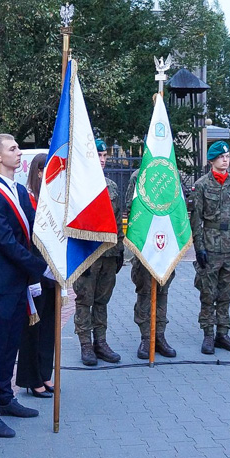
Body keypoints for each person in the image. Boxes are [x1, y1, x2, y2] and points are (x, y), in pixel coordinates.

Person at [0, 134, 50, 439]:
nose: (19, 153)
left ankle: (5, 398)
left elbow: (35, 229)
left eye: (18, 148)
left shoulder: (20, 190)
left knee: (11, 345)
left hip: (18, 280)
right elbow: (5, 241)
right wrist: (38, 266)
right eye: (13, 149)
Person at [190, 141, 230, 355]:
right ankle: (208, 334)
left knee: (226, 292)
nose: (226, 160)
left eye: (228, 156)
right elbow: (196, 220)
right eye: (222, 157)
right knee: (208, 292)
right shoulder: (202, 185)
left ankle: (223, 333)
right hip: (210, 244)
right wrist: (199, 248)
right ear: (212, 160)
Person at [74, 140, 124, 366]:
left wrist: (120, 249)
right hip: (87, 255)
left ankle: (100, 342)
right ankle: (85, 345)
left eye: (104, 155)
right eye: (98, 155)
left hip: (110, 254)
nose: (102, 159)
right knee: (85, 300)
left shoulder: (111, 186)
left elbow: (117, 222)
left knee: (102, 300)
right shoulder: (78, 186)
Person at [16, 153, 58, 392]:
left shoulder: (53, 199)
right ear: (39, 172)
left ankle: (45, 372)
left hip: (53, 271)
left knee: (50, 324)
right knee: (34, 324)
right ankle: (31, 378)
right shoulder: (28, 198)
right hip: (35, 270)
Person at [127, 168, 177, 360]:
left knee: (162, 291)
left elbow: (177, 211)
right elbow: (131, 209)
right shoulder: (138, 177)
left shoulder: (171, 174)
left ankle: (160, 336)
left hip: (166, 247)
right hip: (146, 245)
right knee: (145, 293)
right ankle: (146, 338)